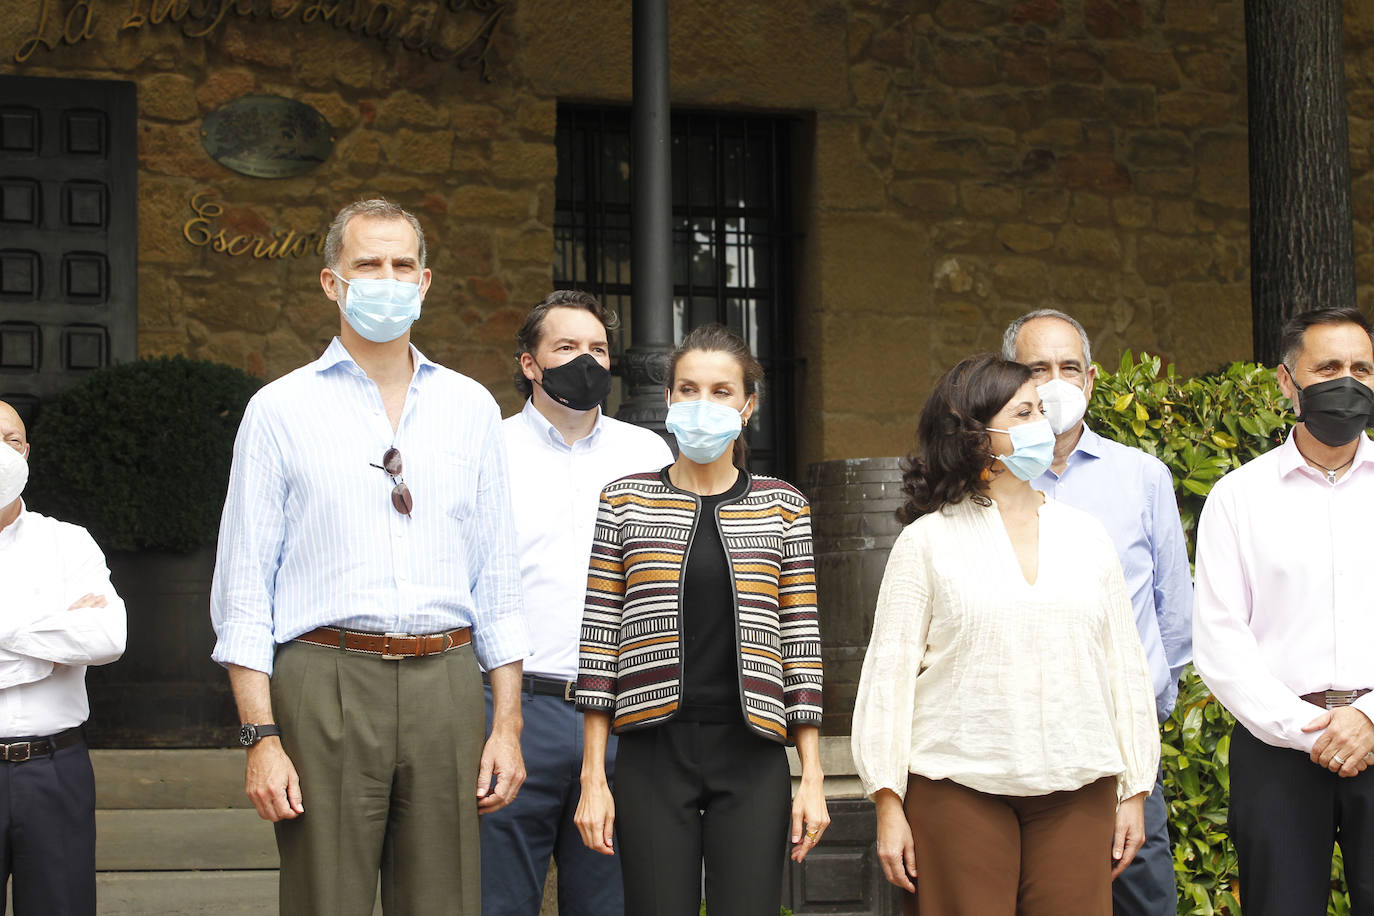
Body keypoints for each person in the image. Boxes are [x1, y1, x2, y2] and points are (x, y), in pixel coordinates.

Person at [210, 199, 529, 916]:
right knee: (327, 899)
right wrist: (261, 737)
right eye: (367, 265)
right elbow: (242, 592)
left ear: (424, 281)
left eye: (401, 265)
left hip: (447, 681)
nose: (386, 279)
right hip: (323, 679)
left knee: (444, 900)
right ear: (332, 282)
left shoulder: (471, 408)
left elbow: (498, 580)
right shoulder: (278, 410)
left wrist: (505, 724)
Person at [851, 353, 1159, 915]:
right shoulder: (926, 543)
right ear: (974, 433)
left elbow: (1124, 666)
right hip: (958, 785)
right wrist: (888, 801)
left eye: (1042, 410)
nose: (1044, 422)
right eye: (1024, 412)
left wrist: (1135, 787)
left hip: (1078, 783)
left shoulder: (1087, 537)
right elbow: (887, 677)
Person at [573, 323, 827, 916]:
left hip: (753, 749)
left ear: (749, 405)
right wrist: (594, 775)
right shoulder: (624, 500)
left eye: (720, 391)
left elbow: (802, 645)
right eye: (687, 389)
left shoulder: (783, 506)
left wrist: (810, 775)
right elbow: (599, 639)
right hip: (651, 752)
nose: (702, 405)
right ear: (668, 400)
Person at [482, 290, 672, 916]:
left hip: (621, 721)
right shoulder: (488, 452)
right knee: (499, 901)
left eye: (597, 348)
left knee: (611, 904)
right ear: (530, 364)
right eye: (565, 348)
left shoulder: (648, 457)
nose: (585, 360)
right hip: (514, 715)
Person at [1002, 309, 1191, 914]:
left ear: (1089, 380)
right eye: (1037, 369)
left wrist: (1147, 711)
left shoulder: (1142, 478)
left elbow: (1173, 616)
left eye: (1068, 367)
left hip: (1120, 742)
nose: (1055, 381)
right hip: (1016, 743)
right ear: (1012, 383)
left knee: (1140, 896)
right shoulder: (983, 486)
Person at [1193, 306, 1374, 915]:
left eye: (1361, 368)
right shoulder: (1237, 498)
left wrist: (1368, 718)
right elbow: (1221, 641)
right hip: (1277, 752)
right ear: (1286, 382)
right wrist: (1309, 731)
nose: (1346, 382)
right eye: (1328, 367)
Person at [0, 400, 126, 915]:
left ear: (26, 453)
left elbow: (106, 638)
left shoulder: (68, 542)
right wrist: (47, 652)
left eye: (9, 441)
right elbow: (74, 639)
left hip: (54, 768)